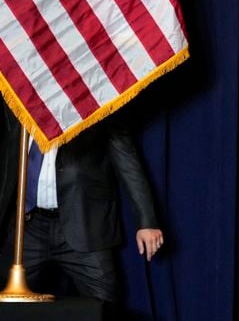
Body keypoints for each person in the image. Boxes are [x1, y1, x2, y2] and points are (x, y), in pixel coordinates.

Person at [0, 101, 164, 303]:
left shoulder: (97, 96)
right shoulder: (17, 94)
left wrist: (146, 222)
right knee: (8, 304)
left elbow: (126, 158)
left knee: (105, 306)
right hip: (26, 229)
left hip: (85, 224)